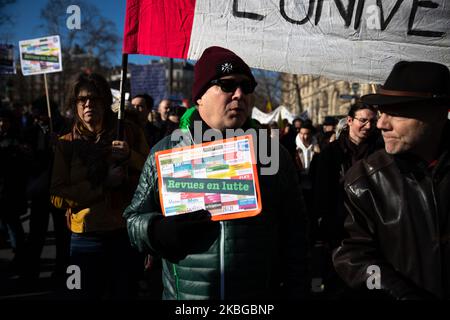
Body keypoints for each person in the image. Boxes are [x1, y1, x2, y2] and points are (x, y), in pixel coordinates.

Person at [124, 46, 309, 300]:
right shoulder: (165, 151)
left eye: (247, 87)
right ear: (200, 95)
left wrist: (296, 291)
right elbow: (132, 220)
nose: (240, 94)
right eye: (227, 85)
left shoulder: (273, 155)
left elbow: (296, 235)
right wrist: (155, 230)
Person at [333, 61, 450, 300]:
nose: (380, 124)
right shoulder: (364, 181)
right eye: (381, 111)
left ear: (438, 113)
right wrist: (396, 291)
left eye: (395, 112)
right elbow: (353, 258)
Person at [50, 72, 149, 299]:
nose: (88, 104)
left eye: (94, 99)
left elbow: (154, 172)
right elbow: (56, 196)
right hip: (83, 239)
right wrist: (102, 185)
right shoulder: (66, 145)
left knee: (124, 294)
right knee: (80, 295)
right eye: (81, 100)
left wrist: (129, 156)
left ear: (105, 102)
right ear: (74, 105)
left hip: (124, 236)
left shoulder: (129, 133)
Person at [312, 103, 382, 298]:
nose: (368, 126)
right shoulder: (330, 154)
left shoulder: (381, 153)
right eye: (363, 120)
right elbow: (321, 196)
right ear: (350, 120)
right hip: (339, 231)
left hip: (373, 231)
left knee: (371, 287)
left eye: (372, 121)